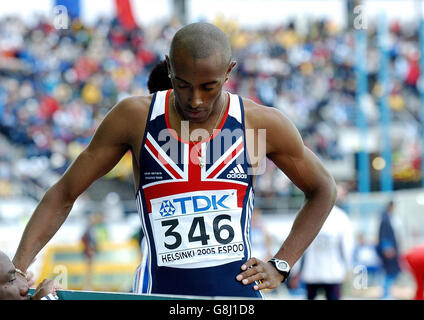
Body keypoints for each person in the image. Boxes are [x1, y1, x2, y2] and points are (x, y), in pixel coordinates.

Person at [12, 22, 336, 298]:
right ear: (169, 67)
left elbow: (323, 188)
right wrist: (16, 272)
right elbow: (64, 193)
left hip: (236, 296)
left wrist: (282, 263)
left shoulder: (258, 123)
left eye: (209, 87)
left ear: (229, 72)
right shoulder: (135, 118)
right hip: (158, 292)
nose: (195, 99)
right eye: (183, 84)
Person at [289, 185, 355, 300]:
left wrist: (294, 271)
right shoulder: (341, 217)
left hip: (312, 272)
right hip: (333, 272)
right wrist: (348, 268)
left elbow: (297, 245)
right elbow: (347, 247)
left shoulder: (308, 215)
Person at [376, 200, 401, 299]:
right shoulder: (385, 219)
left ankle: (386, 293)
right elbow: (384, 235)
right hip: (388, 252)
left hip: (390, 250)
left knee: (391, 272)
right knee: (389, 272)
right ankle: (385, 294)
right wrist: (387, 248)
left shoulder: (388, 218)